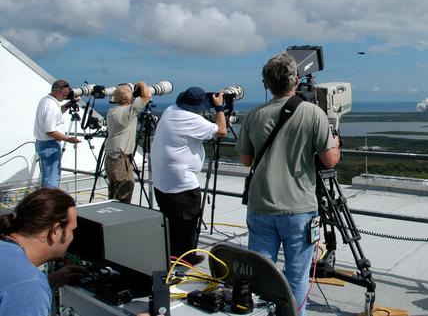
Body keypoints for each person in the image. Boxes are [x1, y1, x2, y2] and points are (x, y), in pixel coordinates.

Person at [236, 53, 340, 316]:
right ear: (296, 80)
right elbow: (329, 161)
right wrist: (335, 144)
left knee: (260, 276)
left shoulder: (253, 115)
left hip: (260, 207)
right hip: (299, 209)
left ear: (266, 83)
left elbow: (247, 160)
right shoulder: (312, 113)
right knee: (297, 276)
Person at [150, 87, 227, 264]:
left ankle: (170, 255)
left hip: (162, 182)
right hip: (181, 185)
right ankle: (185, 259)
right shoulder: (192, 119)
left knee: (170, 223)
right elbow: (222, 130)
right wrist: (219, 108)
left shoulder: (170, 111)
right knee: (187, 225)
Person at [0, 188, 79, 315]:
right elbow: (22, 288)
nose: (73, 237)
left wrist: (48, 282)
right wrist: (36, 286)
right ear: (55, 231)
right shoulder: (30, 286)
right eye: (72, 230)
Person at [104, 82, 152, 203]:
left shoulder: (111, 111)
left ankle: (112, 217)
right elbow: (148, 96)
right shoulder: (128, 112)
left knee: (114, 192)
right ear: (129, 98)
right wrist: (141, 83)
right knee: (125, 191)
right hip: (121, 159)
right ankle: (121, 217)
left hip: (111, 157)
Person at [33, 79, 82, 188]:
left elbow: (55, 114)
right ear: (57, 91)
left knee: (47, 176)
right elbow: (50, 131)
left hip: (42, 144)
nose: (65, 97)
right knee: (52, 179)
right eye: (64, 95)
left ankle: (45, 201)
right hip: (50, 145)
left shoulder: (45, 101)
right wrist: (68, 139)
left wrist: (69, 104)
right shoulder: (51, 106)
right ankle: (51, 203)